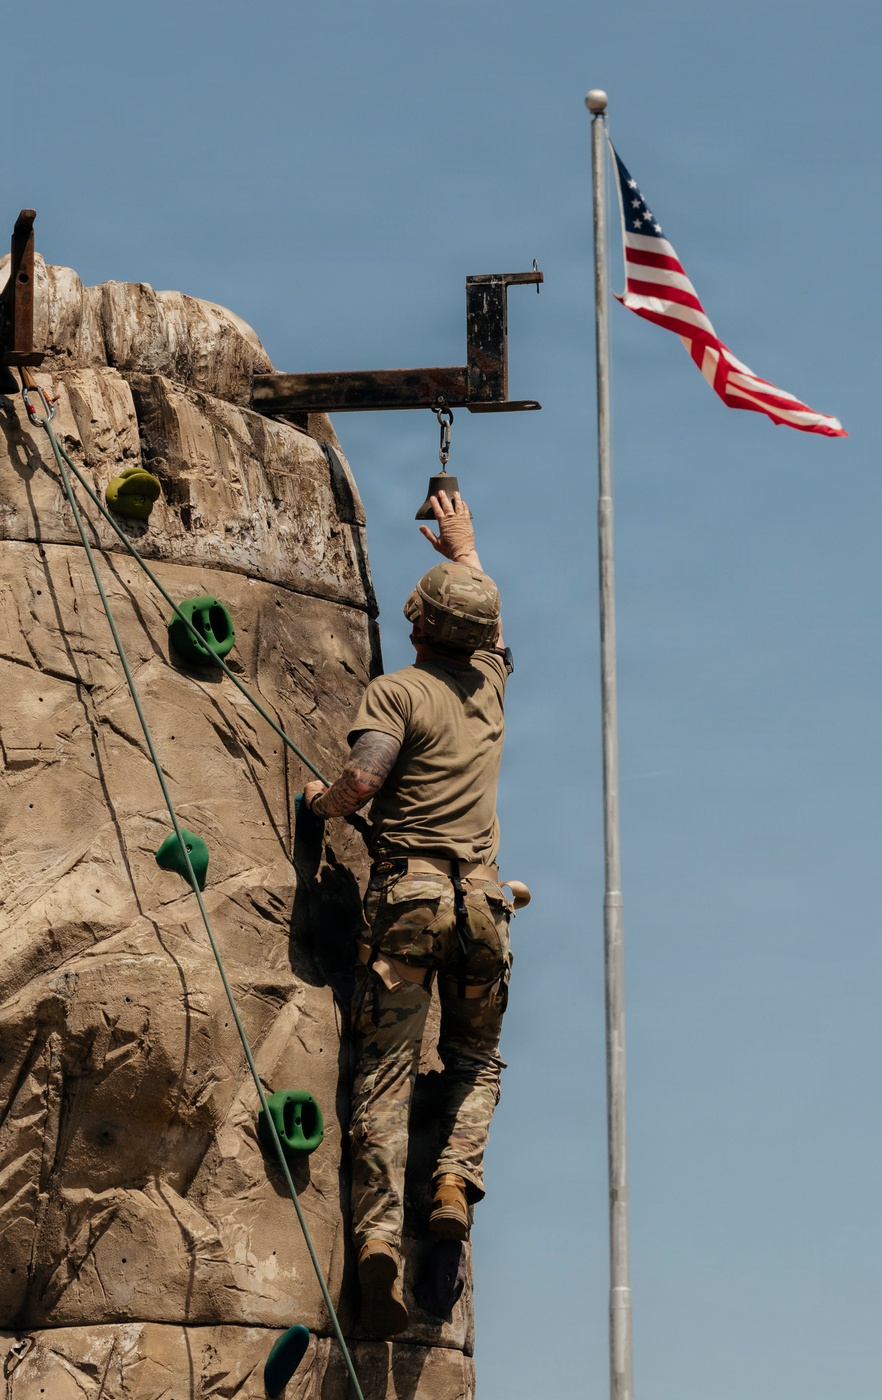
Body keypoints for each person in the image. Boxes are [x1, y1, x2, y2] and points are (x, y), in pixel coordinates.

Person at [303, 488, 522, 1339]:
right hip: (484, 909)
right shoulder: (490, 687)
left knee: (385, 1075)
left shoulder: (399, 693)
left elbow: (362, 782)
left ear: (418, 625)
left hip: (410, 904)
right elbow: (490, 626)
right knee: (477, 1061)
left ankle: (377, 1247)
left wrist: (321, 804)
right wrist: (467, 545)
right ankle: (453, 1184)